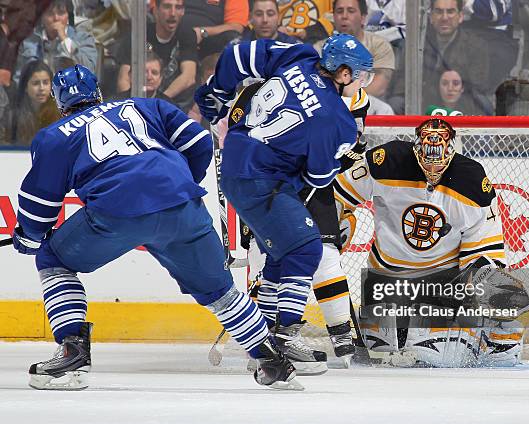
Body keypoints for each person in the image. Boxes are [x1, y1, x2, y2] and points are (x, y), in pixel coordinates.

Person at [11, 64, 302, 391]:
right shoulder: (145, 106)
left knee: (53, 261)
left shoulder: (54, 136)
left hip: (118, 212)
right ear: (99, 94)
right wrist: (178, 184)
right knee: (221, 292)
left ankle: (72, 351)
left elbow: (39, 205)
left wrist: (29, 236)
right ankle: (273, 362)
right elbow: (199, 141)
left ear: (60, 103)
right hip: (183, 206)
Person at [194, 34, 374, 374]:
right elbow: (319, 178)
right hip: (264, 181)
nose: (363, 81)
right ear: (345, 74)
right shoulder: (337, 120)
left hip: (235, 162)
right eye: (361, 74)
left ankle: (263, 342)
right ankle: (286, 338)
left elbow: (237, 54)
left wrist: (216, 91)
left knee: (281, 254)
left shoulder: (300, 56)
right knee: (307, 250)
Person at [334, 118, 529, 367]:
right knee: (389, 347)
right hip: (386, 278)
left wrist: (475, 290)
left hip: (441, 282)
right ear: (415, 148)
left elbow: (483, 252)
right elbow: (338, 195)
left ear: (451, 151)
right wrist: (330, 228)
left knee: (497, 296)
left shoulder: (472, 182)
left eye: (439, 164)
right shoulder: (386, 160)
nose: (432, 171)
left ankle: (494, 342)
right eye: (426, 161)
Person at [116, 0, 197, 112]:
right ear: (156, 11)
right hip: (135, 104)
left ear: (183, 11)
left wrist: (157, 102)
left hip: (172, 104)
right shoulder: (139, 33)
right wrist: (132, 106)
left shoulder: (187, 34)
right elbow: (124, 78)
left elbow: (188, 77)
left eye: (178, 7)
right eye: (167, 6)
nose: (173, 13)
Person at [314, 0, 395, 100]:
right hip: (329, 104)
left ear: (363, 18)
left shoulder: (379, 45)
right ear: (334, 17)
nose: (344, 16)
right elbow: (315, 83)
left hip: (368, 104)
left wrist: (347, 97)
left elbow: (379, 87)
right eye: (339, 11)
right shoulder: (320, 47)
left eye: (351, 11)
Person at [423, 0, 492, 115]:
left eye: (450, 12)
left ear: (460, 16)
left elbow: (477, 87)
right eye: (439, 12)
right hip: (423, 101)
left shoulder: (476, 46)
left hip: (462, 103)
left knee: (483, 104)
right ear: (431, 17)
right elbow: (403, 83)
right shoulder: (418, 44)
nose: (444, 18)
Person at [14, 0, 97, 82]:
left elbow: (89, 72)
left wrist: (65, 40)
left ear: (68, 15)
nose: (56, 18)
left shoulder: (83, 38)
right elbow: (19, 77)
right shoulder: (28, 41)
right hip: (38, 92)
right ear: (42, 17)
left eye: (61, 13)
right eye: (50, 13)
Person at [2, 60, 61, 145]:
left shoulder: (60, 113)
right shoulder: (12, 115)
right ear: (25, 87)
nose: (41, 88)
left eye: (45, 83)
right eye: (36, 83)